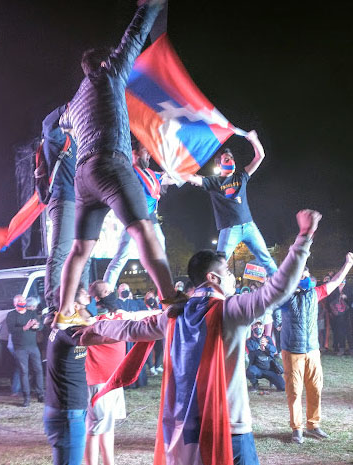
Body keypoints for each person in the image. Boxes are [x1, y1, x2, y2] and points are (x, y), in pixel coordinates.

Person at [78, 209, 322, 465]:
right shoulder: (228, 311)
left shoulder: (172, 316)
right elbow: (278, 289)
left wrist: (82, 332)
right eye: (227, 273)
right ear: (212, 278)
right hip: (230, 434)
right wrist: (303, 238)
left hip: (183, 437)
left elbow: (124, 327)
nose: (232, 279)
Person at [54, 0, 176, 330]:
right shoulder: (109, 74)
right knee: (143, 228)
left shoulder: (73, 103)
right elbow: (134, 37)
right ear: (106, 61)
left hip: (84, 176)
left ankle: (64, 310)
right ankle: (169, 296)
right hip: (110, 162)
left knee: (80, 248)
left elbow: (58, 124)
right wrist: (150, 7)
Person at [44, 285, 97, 465]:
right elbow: (99, 331)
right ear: (72, 304)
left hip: (65, 412)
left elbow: (89, 321)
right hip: (67, 416)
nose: (89, 298)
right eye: (84, 296)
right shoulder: (69, 331)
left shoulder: (62, 326)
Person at [281, 252, 353, 444]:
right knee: (294, 391)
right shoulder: (284, 296)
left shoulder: (315, 294)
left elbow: (335, 281)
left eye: (306, 275)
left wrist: (348, 264)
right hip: (292, 351)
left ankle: (313, 425)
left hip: (312, 350)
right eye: (300, 275)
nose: (304, 278)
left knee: (315, 388)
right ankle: (296, 428)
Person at [183, 131, 277, 276]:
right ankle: (213, 293)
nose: (231, 161)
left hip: (249, 226)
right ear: (219, 165)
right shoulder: (214, 181)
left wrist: (254, 140)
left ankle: (283, 289)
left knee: (267, 260)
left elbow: (260, 156)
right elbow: (193, 179)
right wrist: (176, 170)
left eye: (231, 158)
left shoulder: (241, 176)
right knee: (219, 263)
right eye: (226, 159)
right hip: (229, 229)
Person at [84, 280, 135, 465]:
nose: (111, 294)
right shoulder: (90, 319)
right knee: (95, 428)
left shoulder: (117, 315)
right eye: (106, 292)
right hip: (97, 378)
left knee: (109, 424)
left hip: (114, 377)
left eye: (111, 290)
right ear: (96, 298)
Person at [42, 105, 91, 320]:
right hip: (63, 200)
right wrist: (67, 106)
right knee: (61, 252)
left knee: (85, 254)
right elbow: (47, 125)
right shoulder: (59, 140)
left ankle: (80, 299)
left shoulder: (81, 145)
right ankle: (54, 305)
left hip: (81, 203)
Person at [103, 139, 169, 290]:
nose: (149, 155)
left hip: (150, 218)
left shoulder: (153, 175)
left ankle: (164, 288)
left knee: (160, 249)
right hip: (133, 218)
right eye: (146, 151)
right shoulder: (128, 172)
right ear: (135, 153)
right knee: (123, 254)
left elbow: (169, 178)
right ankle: (106, 288)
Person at [6, 295, 44, 407]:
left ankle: (40, 394)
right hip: (20, 348)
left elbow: (40, 326)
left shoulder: (31, 313)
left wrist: (37, 326)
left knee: (38, 370)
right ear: (15, 303)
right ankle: (26, 397)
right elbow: (11, 330)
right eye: (19, 301)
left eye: (23, 300)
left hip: (33, 346)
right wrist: (25, 327)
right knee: (24, 372)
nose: (22, 302)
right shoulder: (11, 315)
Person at [246, 321, 285, 392]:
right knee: (250, 371)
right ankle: (255, 385)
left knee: (283, 387)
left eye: (260, 326)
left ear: (263, 327)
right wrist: (260, 349)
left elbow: (274, 349)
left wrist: (266, 346)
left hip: (269, 368)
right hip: (257, 368)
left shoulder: (268, 338)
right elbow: (251, 354)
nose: (258, 328)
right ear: (252, 328)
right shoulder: (249, 341)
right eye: (256, 326)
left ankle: (272, 381)